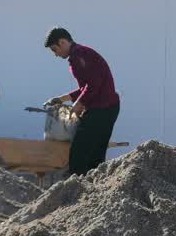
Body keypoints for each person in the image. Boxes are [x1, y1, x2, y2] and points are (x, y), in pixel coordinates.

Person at [44, 27, 121, 176]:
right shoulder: (81, 53)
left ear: (63, 42)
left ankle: (77, 191)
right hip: (109, 107)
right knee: (95, 155)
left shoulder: (79, 55)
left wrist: (78, 104)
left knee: (79, 154)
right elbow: (87, 87)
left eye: (55, 49)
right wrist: (62, 99)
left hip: (101, 109)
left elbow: (93, 85)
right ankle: (94, 191)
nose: (55, 54)